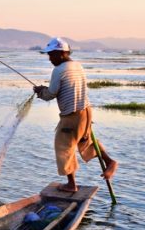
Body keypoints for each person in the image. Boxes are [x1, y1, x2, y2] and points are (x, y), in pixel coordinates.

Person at [33, 37, 118, 193]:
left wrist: (40, 92)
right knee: (85, 140)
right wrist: (44, 90)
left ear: (62, 53)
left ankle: (71, 185)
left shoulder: (58, 70)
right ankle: (109, 161)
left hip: (72, 115)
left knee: (63, 147)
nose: (50, 58)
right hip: (85, 111)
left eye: (52, 54)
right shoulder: (77, 66)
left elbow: (51, 94)